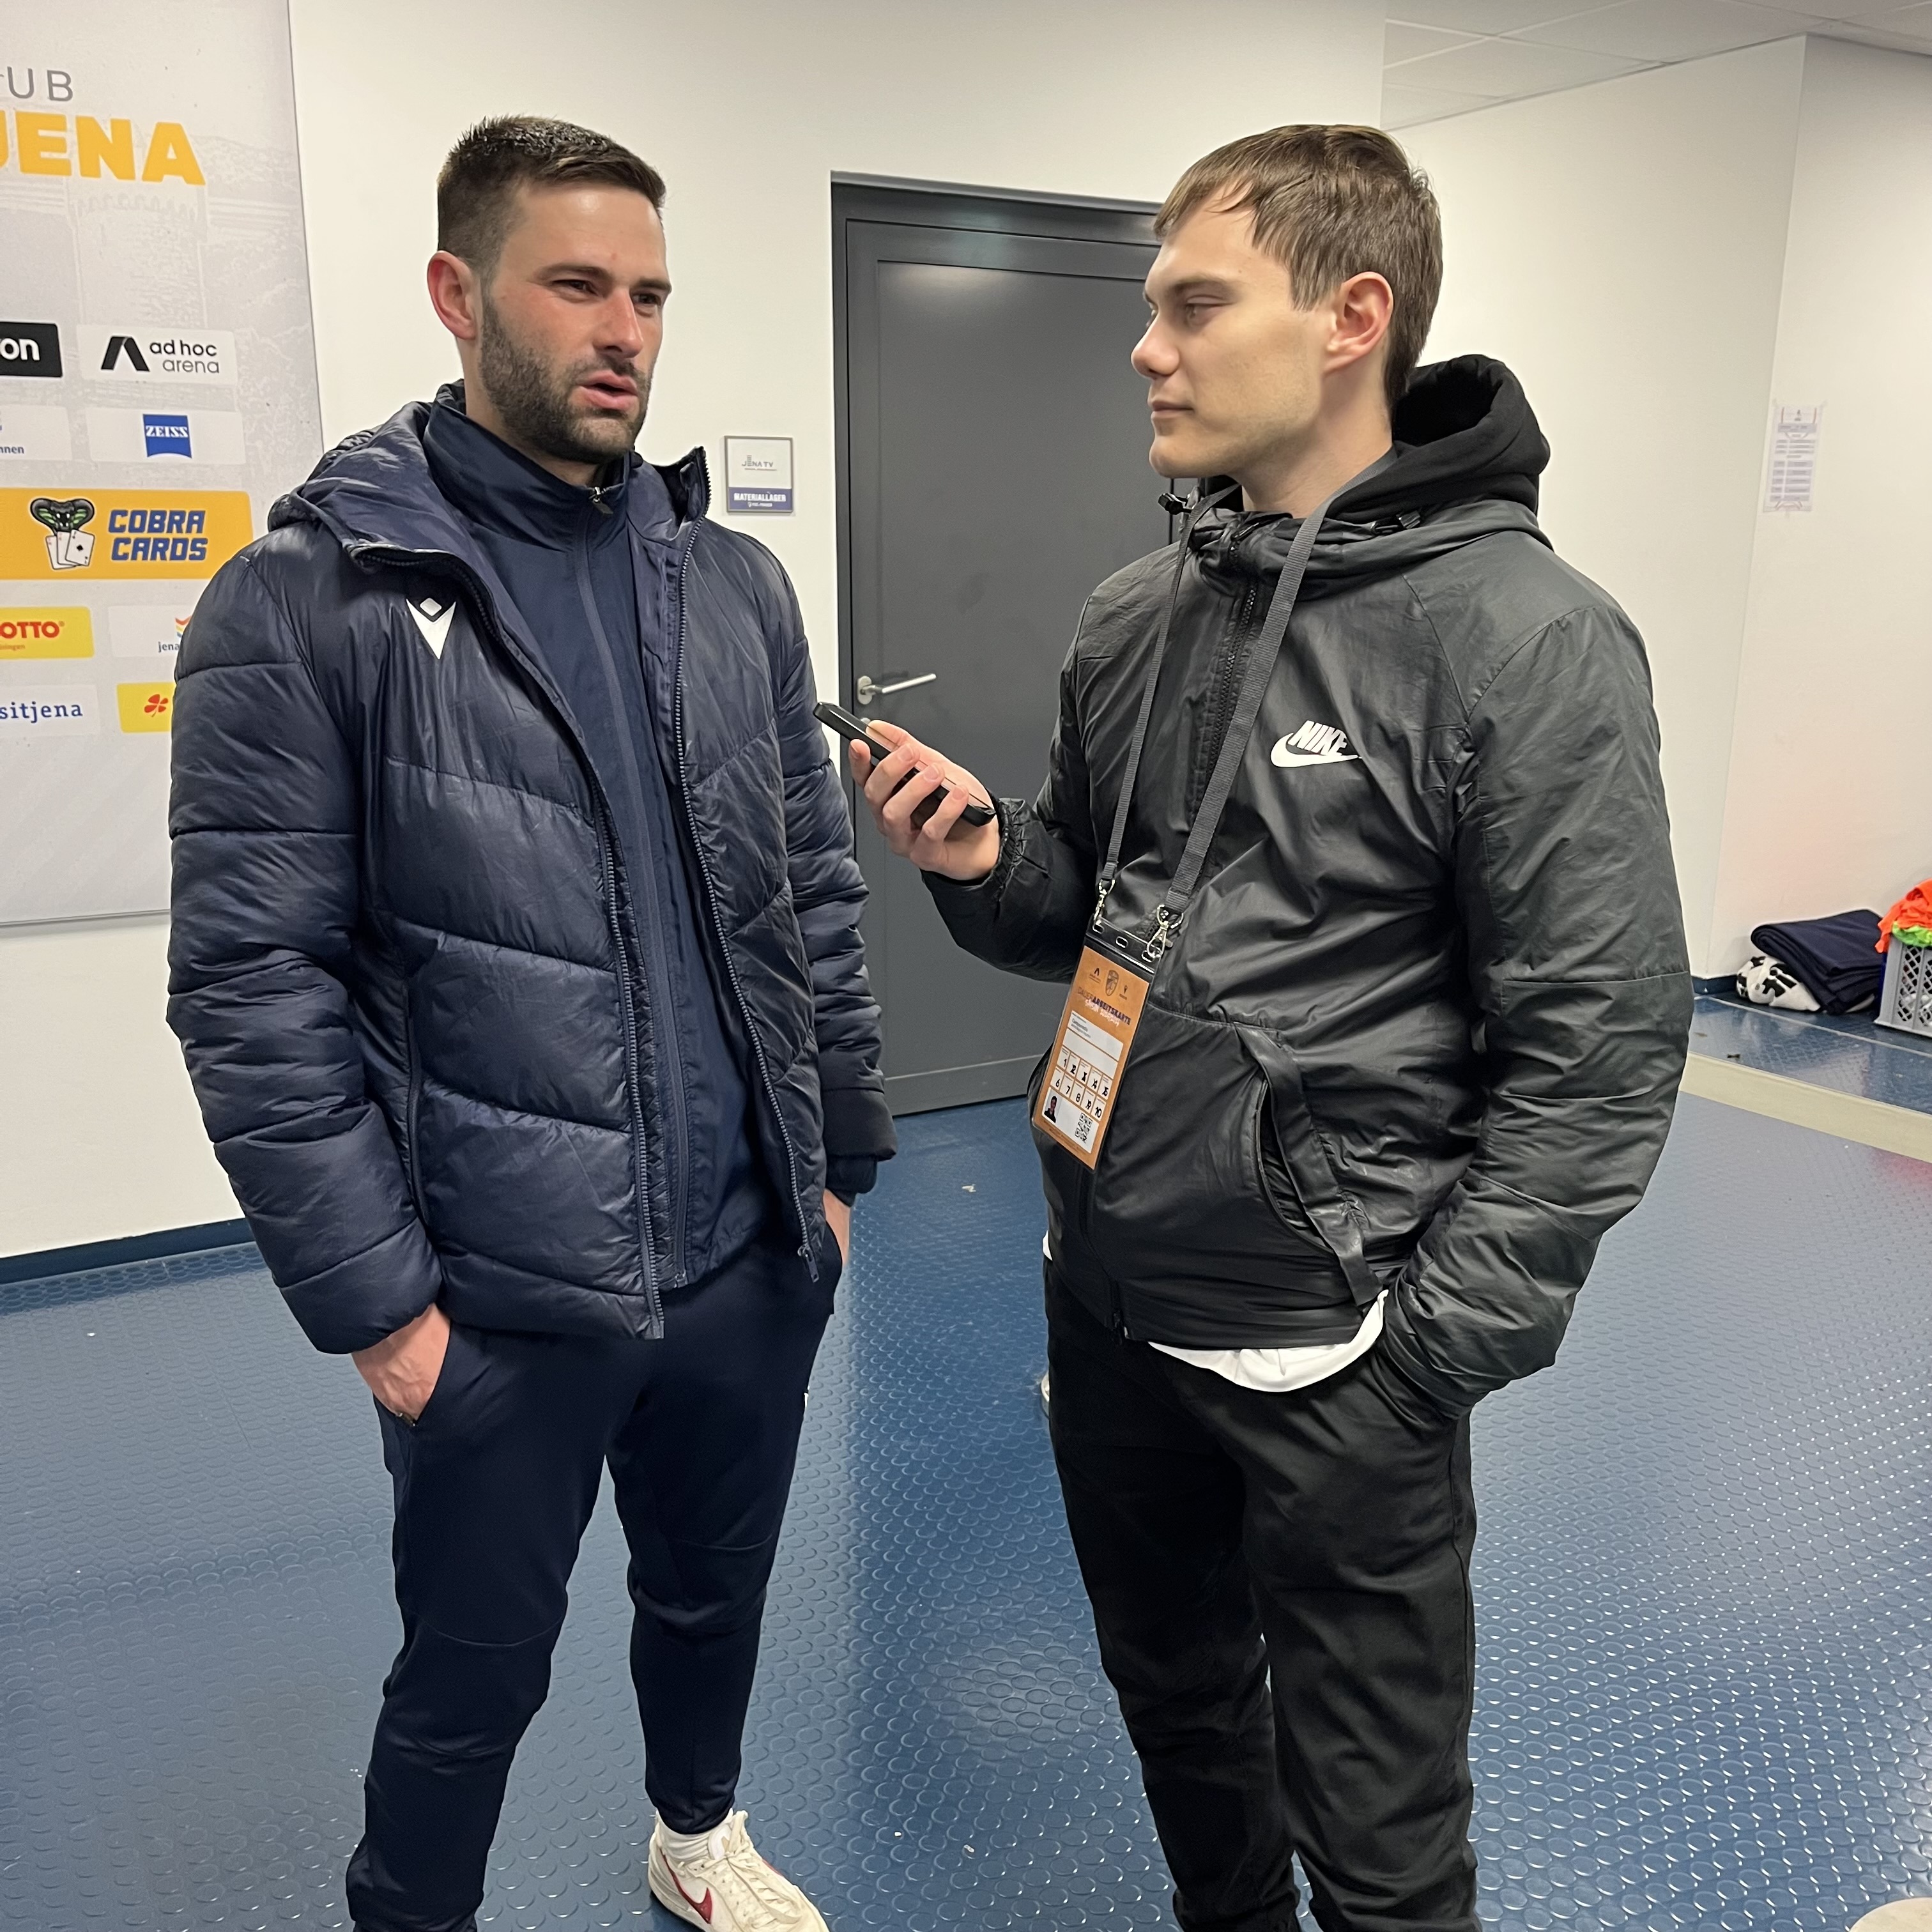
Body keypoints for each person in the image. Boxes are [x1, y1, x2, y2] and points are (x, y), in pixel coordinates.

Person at [852, 125, 1690, 1931]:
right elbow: (1092, 917)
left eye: (1191, 306)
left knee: (1381, 1849)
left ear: (1350, 317)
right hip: (1111, 1298)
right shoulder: (1135, 612)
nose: (1145, 350)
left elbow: (1602, 1059)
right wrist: (986, 857)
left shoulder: (1526, 637)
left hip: (1343, 1348)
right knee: (1182, 1726)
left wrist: (1420, 1362)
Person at [167, 116, 894, 1932]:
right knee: (472, 1677)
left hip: (744, 1254)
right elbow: (253, 985)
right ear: (458, 292)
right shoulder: (306, 599)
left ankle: (696, 1839)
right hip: (496, 1295)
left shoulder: (726, 584)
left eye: (648, 293)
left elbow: (809, 893)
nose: (624, 330)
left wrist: (841, 1172)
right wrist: (384, 1316)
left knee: (712, 1597)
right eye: (577, 285)